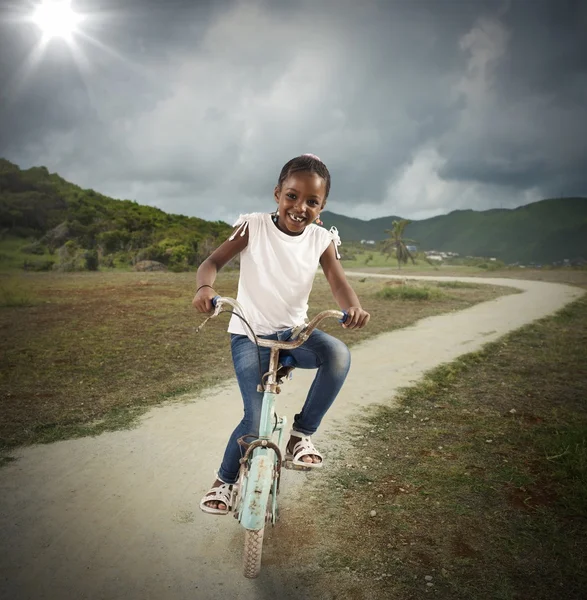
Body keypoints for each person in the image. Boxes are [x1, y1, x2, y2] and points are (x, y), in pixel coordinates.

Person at [192, 153, 370, 514]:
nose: (299, 206)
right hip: (249, 335)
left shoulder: (321, 240)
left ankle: (301, 437)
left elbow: (339, 282)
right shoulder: (253, 226)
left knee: (337, 355)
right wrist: (204, 288)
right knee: (255, 421)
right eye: (292, 195)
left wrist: (353, 306)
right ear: (277, 193)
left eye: (311, 201)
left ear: (321, 208)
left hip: (295, 334)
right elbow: (212, 263)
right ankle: (224, 482)